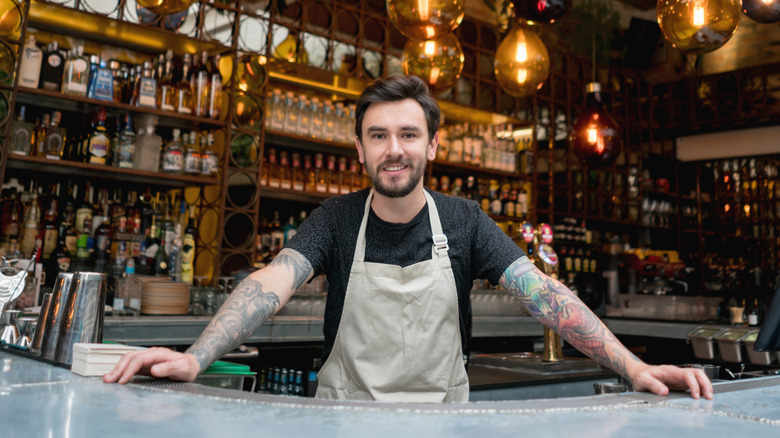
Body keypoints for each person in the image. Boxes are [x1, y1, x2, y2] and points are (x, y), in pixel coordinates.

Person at [104, 75, 713, 402]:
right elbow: (271, 282)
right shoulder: (337, 220)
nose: (394, 149)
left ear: (432, 145)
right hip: (344, 423)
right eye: (378, 135)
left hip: (443, 427)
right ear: (361, 148)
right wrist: (194, 356)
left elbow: (542, 293)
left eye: (407, 134)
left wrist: (633, 368)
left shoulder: (467, 220)